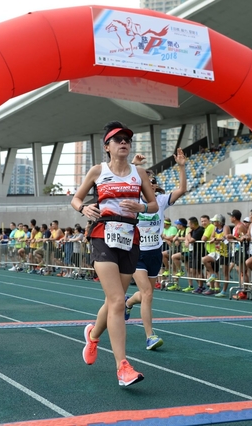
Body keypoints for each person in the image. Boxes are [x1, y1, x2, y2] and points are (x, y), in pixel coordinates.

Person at [71, 120, 157, 386]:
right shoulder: (98, 171)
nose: (124, 143)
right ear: (107, 146)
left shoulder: (139, 173)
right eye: (118, 140)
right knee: (119, 300)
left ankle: (93, 335)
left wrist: (142, 208)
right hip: (103, 235)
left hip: (130, 238)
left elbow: (153, 204)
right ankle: (122, 367)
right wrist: (83, 208)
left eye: (127, 140)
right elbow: (76, 198)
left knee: (113, 302)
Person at [125, 148, 187, 350]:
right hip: (136, 253)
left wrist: (181, 166)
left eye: (152, 181)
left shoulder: (160, 201)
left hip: (155, 252)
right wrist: (135, 165)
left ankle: (128, 303)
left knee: (147, 293)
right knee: (148, 294)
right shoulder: (134, 201)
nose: (150, 184)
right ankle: (150, 336)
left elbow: (182, 189)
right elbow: (125, 182)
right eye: (146, 181)